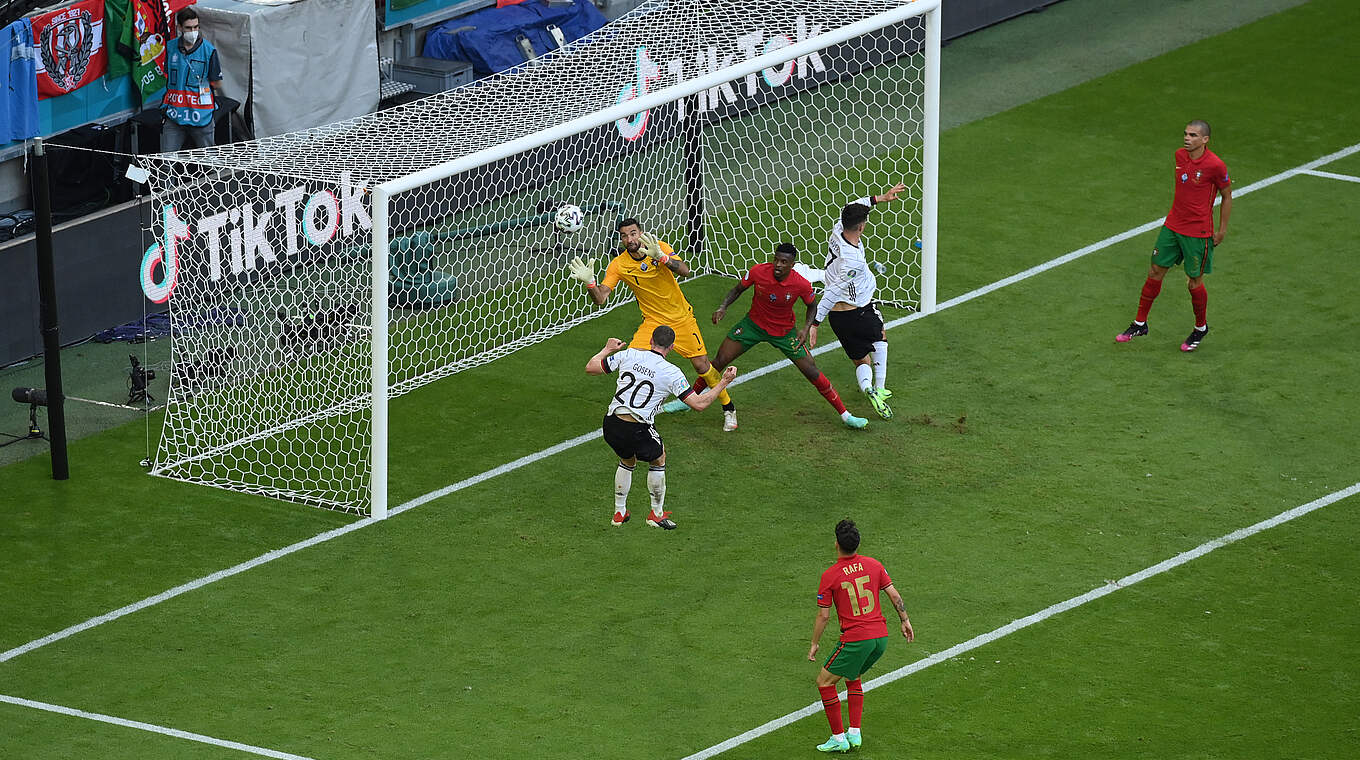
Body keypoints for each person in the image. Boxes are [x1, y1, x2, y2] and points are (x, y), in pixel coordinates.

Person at [662, 243, 868, 429]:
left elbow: (812, 305)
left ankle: (845, 415)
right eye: (776, 259)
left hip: (784, 333)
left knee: (812, 371)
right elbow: (737, 289)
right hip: (753, 326)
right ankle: (687, 401)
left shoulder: (801, 284)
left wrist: (806, 328)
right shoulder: (759, 271)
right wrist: (722, 307)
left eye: (784, 262)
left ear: (792, 264)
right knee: (719, 360)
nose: (778, 265)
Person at [569, 218, 738, 431]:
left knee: (702, 365)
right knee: (632, 359)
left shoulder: (659, 248)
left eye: (633, 233)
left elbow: (685, 270)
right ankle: (633, 410)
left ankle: (728, 408)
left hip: (681, 319)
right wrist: (590, 284)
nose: (629, 239)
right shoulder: (619, 265)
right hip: (652, 322)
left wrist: (662, 257)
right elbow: (601, 298)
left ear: (641, 232)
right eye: (624, 236)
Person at [585, 326, 736, 530]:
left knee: (627, 459)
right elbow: (699, 404)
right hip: (637, 427)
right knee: (659, 457)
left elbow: (591, 368)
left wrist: (607, 349)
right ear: (672, 347)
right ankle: (656, 514)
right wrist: (724, 382)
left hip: (611, 424)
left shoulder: (629, 354)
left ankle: (619, 512)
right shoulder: (672, 373)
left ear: (650, 341)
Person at [1116, 120, 1232, 351]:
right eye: (1186, 134)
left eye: (1193, 135)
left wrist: (1221, 230)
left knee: (1193, 282)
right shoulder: (1180, 156)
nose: (1187, 138)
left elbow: (1227, 196)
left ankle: (1200, 328)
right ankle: (1140, 323)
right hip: (1172, 227)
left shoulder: (1215, 165)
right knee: (1155, 270)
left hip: (1198, 233)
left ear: (1205, 139)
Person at [808, 519, 913, 753]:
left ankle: (838, 738)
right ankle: (854, 733)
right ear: (858, 543)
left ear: (836, 544)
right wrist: (905, 620)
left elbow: (823, 617)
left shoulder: (830, 576)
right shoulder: (874, 565)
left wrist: (814, 643)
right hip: (880, 639)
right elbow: (895, 596)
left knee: (824, 683)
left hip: (857, 640)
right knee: (852, 674)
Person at [805, 184, 907, 420]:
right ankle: (879, 388)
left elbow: (855, 206)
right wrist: (815, 323)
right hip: (858, 309)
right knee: (880, 337)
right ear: (861, 227)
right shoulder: (852, 262)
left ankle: (867, 388)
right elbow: (831, 292)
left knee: (860, 359)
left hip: (838, 319)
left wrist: (880, 198)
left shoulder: (837, 230)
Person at [162, 8, 224, 152]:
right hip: (175, 114)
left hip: (201, 115)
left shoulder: (209, 50)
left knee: (208, 162)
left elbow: (217, 83)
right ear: (179, 28)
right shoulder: (170, 48)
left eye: (196, 27)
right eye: (188, 28)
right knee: (166, 163)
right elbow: (166, 76)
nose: (193, 31)